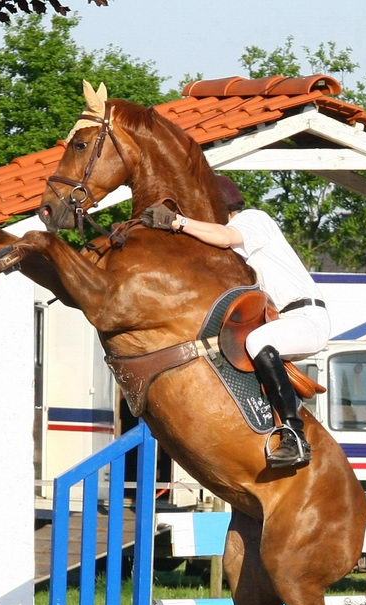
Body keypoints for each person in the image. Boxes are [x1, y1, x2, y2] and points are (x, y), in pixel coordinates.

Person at [140, 174, 331, 469]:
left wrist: (179, 222)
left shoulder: (254, 219)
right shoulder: (230, 240)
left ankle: (295, 433)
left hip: (306, 318)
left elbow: (224, 236)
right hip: (286, 320)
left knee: (257, 341)